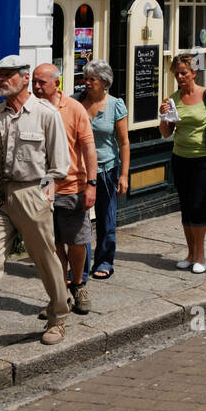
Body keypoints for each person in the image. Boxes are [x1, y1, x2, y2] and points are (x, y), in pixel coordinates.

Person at [0, 57, 72, 369]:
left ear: (24, 78)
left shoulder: (46, 114)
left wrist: (45, 196)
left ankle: (58, 315)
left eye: (7, 75)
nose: (2, 80)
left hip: (32, 193)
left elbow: (59, 166)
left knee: (45, 259)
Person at [32, 63, 97, 315]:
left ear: (56, 84)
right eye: (34, 82)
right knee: (53, 244)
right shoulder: (31, 109)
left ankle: (78, 283)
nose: (36, 87)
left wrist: (91, 184)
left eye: (42, 83)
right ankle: (60, 294)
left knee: (77, 241)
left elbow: (89, 148)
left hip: (72, 186)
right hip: (42, 189)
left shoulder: (73, 109)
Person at [159, 53, 206, 272]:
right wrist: (163, 116)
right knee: (185, 207)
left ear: (193, 73)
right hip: (180, 158)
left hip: (204, 159)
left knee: (198, 206)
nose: (180, 77)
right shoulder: (172, 100)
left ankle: (200, 257)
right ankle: (190, 254)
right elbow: (166, 133)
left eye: (184, 73)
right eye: (177, 73)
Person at [78, 60, 129, 279]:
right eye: (86, 78)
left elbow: (124, 142)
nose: (87, 83)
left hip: (106, 169)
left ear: (105, 82)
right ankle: (80, 264)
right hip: (79, 170)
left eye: (92, 79)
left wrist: (124, 175)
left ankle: (105, 260)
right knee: (79, 221)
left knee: (106, 218)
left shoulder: (115, 105)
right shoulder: (76, 102)